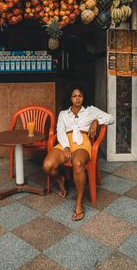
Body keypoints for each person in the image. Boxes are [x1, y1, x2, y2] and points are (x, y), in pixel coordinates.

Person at [43, 83, 114, 221]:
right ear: (70, 98)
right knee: (47, 166)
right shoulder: (63, 114)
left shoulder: (90, 110)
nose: (77, 99)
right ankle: (60, 180)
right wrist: (66, 146)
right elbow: (61, 131)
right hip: (65, 143)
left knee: (77, 162)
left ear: (83, 97)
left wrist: (96, 121)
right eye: (74, 96)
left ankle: (79, 203)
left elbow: (111, 118)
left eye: (80, 96)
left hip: (83, 142)